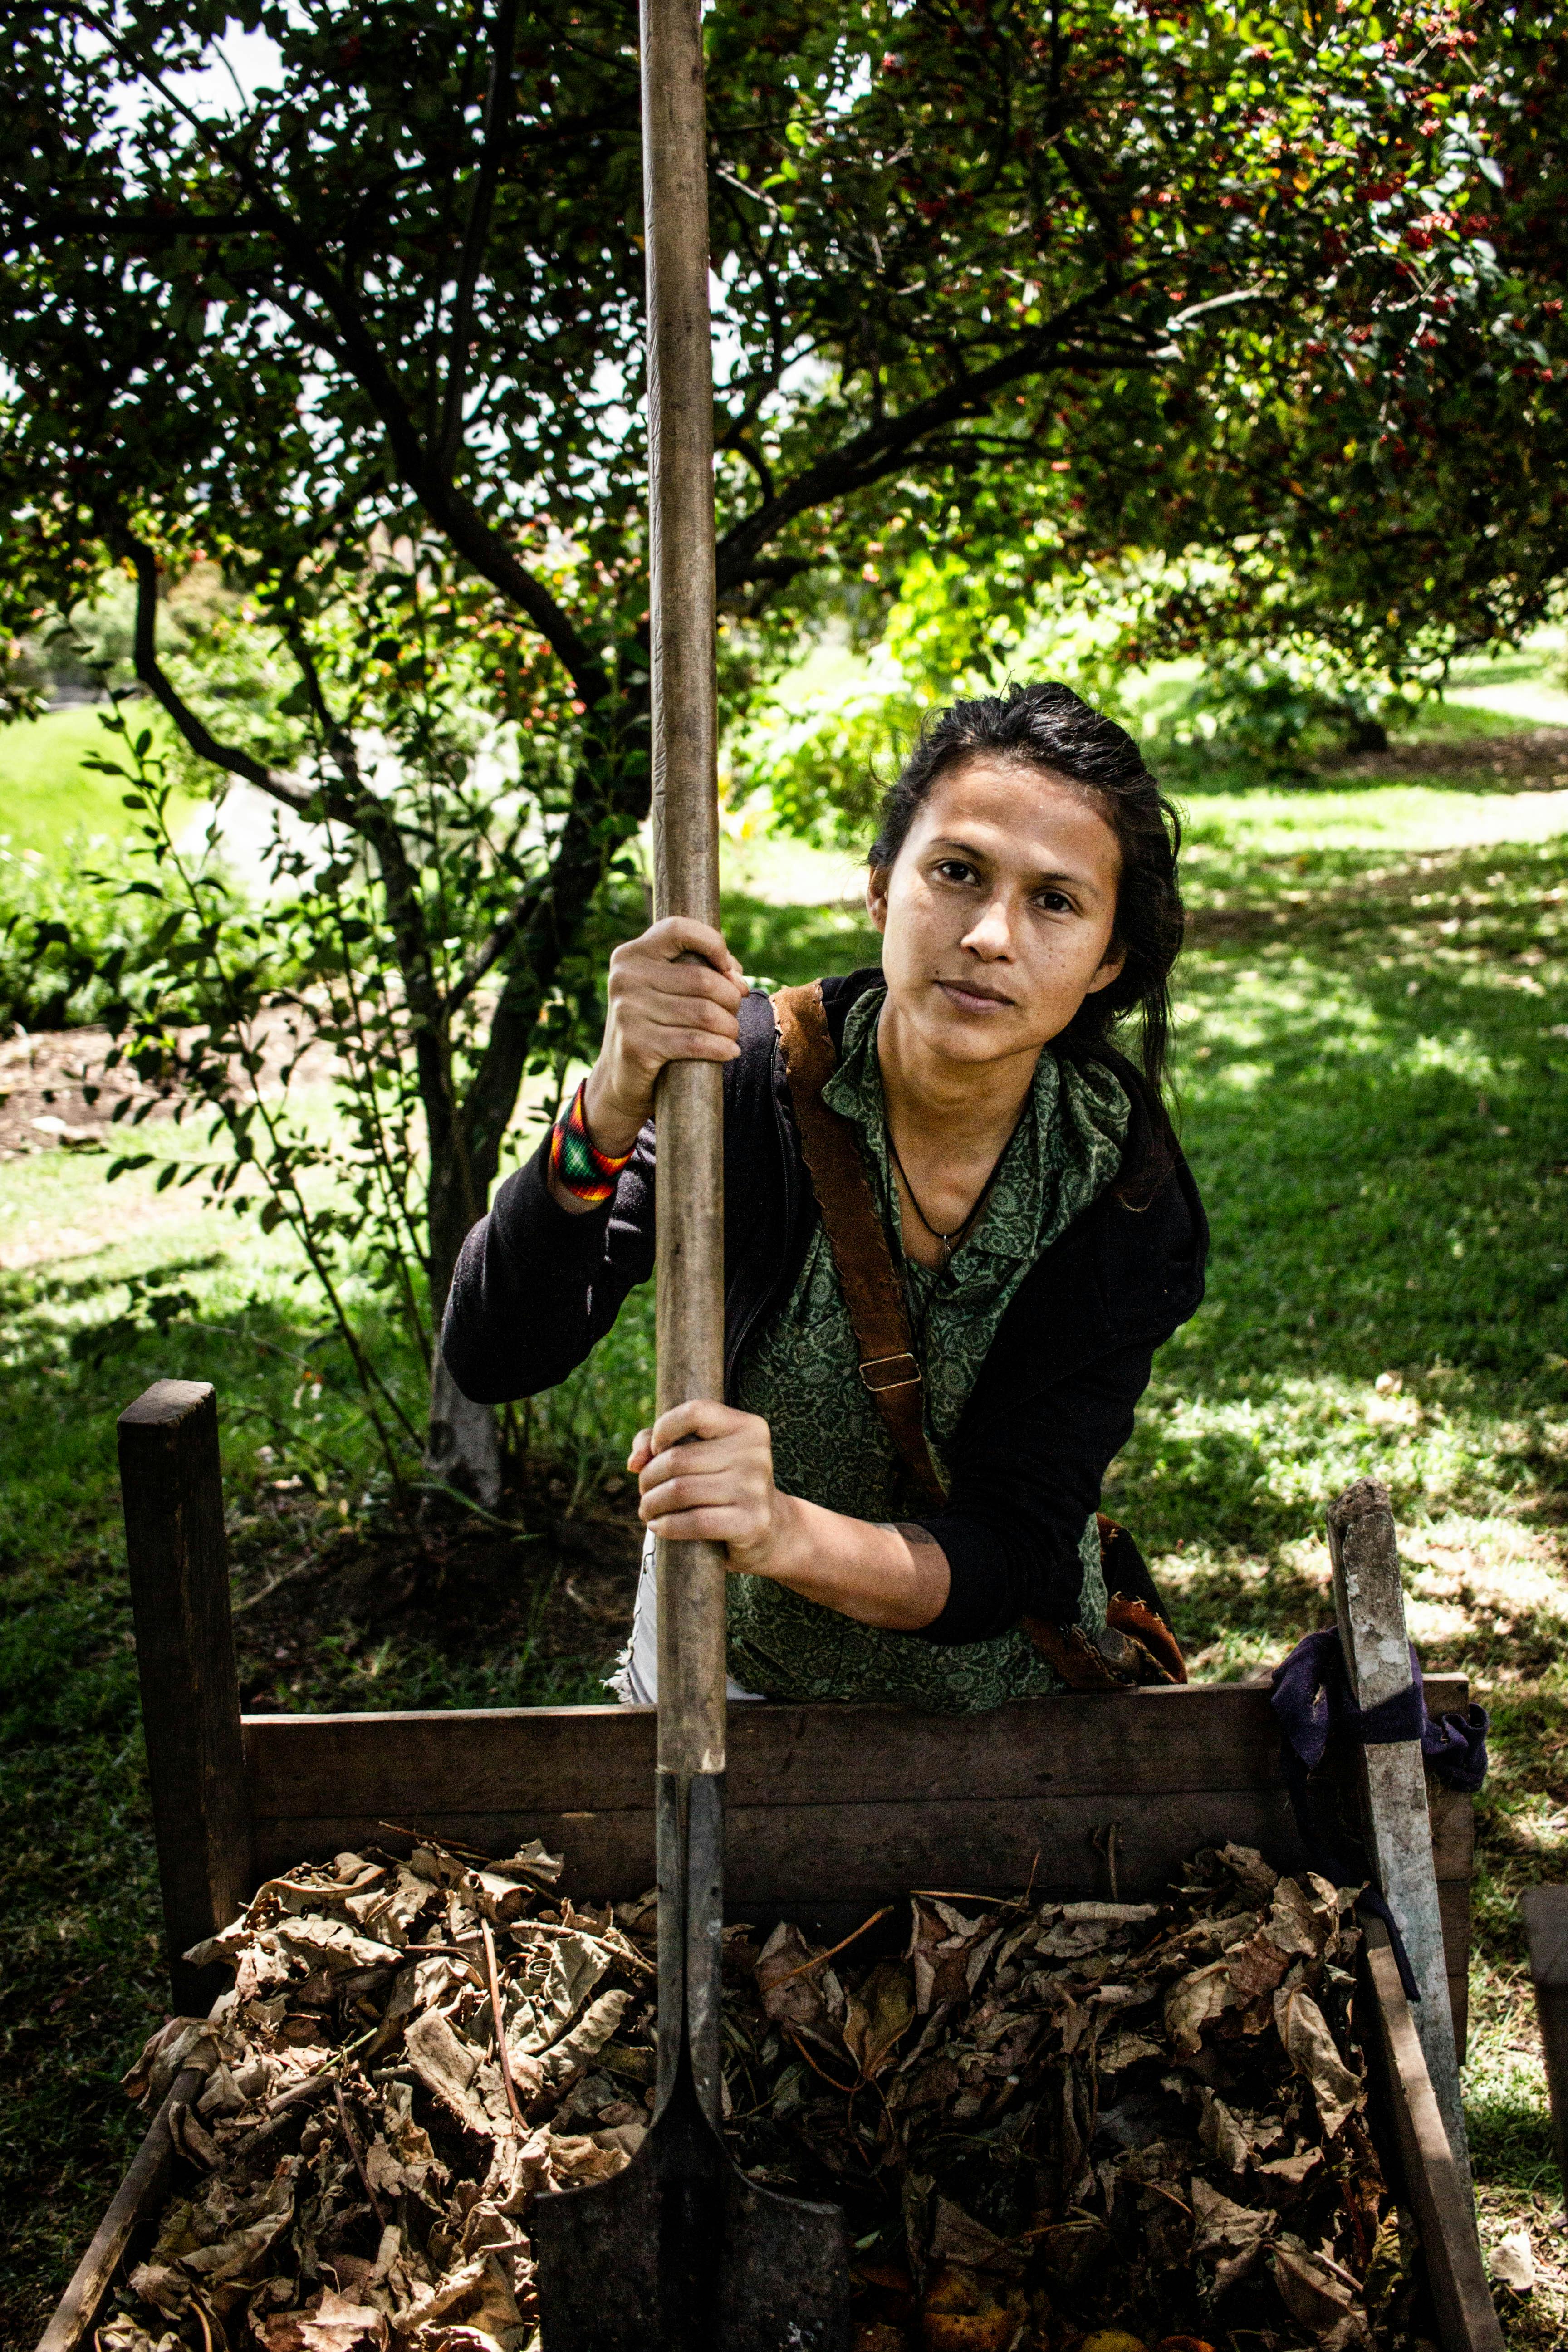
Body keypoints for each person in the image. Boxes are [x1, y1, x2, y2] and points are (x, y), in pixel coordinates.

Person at [441, 682, 1207, 1711]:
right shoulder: (743, 1086)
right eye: (957, 872)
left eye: (1055, 901)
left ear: (1108, 960)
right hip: (725, 1688)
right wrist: (612, 1103)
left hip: (1008, 1720)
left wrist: (784, 1532)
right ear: (884, 891)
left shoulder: (1117, 1183)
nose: (990, 934)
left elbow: (1017, 1545)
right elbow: (498, 1354)